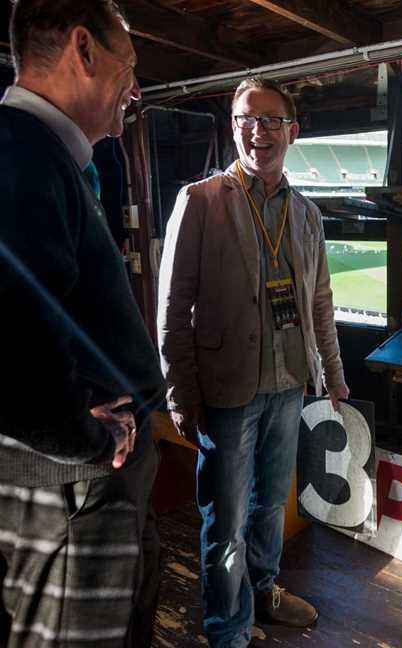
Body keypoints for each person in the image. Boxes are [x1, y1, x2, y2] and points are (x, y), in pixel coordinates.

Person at [158, 76, 349, 648]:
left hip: (290, 384)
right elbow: (172, 308)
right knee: (226, 520)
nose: (256, 131)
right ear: (234, 126)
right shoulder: (199, 200)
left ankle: (264, 591)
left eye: (268, 120)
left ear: (292, 130)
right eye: (245, 118)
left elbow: (319, 301)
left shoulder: (308, 214)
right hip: (226, 390)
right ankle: (228, 628)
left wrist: (333, 373)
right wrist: (180, 394)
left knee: (270, 507)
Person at [0, 2, 165, 647]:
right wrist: (87, 441)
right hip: (72, 485)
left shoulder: (47, 156)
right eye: (131, 64)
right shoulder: (20, 153)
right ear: (84, 50)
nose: (136, 87)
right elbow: (11, 343)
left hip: (87, 479)